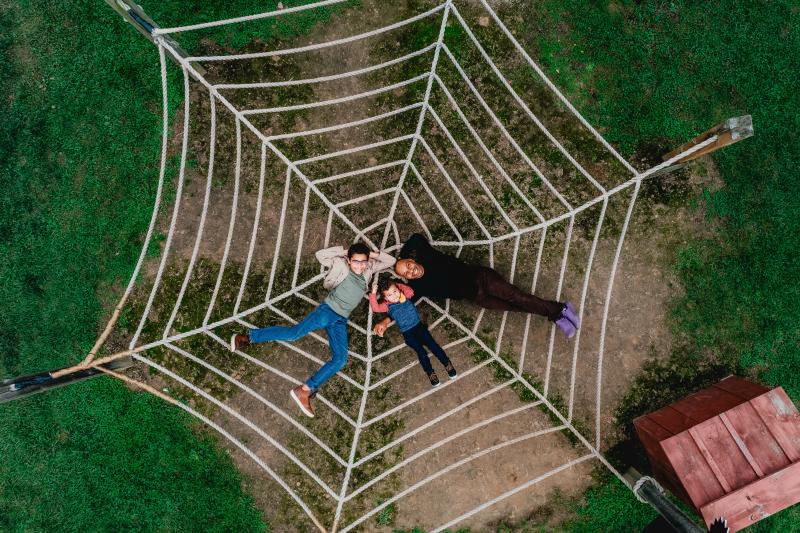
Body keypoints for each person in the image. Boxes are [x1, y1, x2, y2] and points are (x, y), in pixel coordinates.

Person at [231, 242, 395, 417]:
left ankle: (305, 390)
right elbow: (321, 255)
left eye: (363, 262)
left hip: (341, 320)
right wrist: (345, 252)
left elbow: (390, 261)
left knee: (340, 360)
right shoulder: (342, 264)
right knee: (294, 334)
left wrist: (372, 255)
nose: (360, 266)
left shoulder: (368, 269)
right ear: (349, 260)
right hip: (328, 311)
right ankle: (248, 337)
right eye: (356, 261)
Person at [374, 233, 580, 338]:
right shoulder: (418, 288)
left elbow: (416, 238)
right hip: (477, 298)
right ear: (406, 279)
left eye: (409, 265)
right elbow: (401, 306)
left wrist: (398, 259)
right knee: (515, 307)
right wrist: (385, 321)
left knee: (519, 297)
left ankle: (560, 311)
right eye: (406, 273)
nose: (411, 270)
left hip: (481, 278)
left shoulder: (426, 255)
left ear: (412, 260)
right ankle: (557, 312)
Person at [369, 274, 456, 388]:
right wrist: (373, 294)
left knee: (433, 346)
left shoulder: (405, 295)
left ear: (398, 289)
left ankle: (447, 364)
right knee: (421, 352)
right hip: (408, 333)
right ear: (386, 298)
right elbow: (375, 308)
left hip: (419, 327)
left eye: (394, 291)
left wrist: (398, 288)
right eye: (390, 295)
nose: (394, 296)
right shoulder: (387, 306)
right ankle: (430, 373)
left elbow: (411, 290)